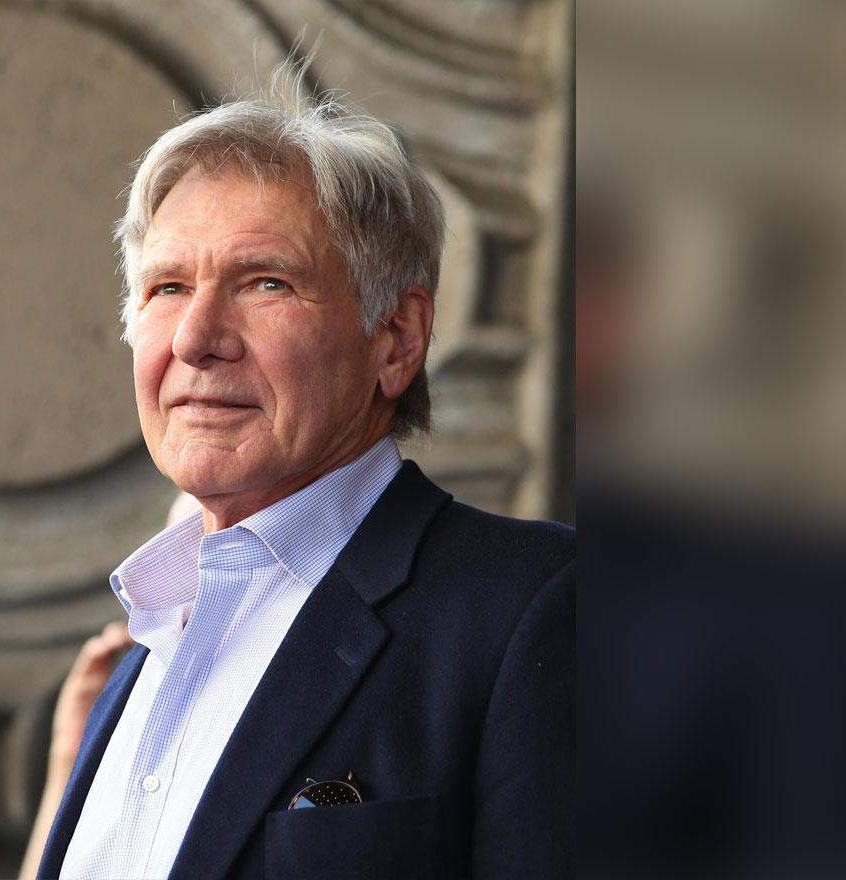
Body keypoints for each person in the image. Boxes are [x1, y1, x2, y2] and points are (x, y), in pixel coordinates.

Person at [37, 70, 574, 880]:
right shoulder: (141, 650)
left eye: (265, 283)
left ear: (396, 337)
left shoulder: (538, 608)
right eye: (168, 287)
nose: (195, 337)